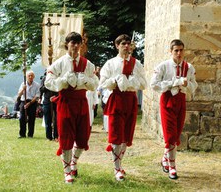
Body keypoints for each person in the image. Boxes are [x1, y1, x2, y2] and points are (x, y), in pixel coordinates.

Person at [44, 32, 99, 184]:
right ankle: (67, 171)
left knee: (82, 139)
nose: (75, 46)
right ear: (67, 44)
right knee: (67, 138)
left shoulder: (88, 64)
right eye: (72, 43)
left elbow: (95, 83)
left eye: (78, 43)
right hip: (66, 102)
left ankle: (74, 162)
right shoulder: (59, 63)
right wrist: (63, 80)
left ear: (81, 45)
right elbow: (48, 83)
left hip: (81, 102)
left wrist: (86, 80)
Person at [99, 34, 147, 181]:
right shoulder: (111, 64)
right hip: (117, 99)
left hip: (131, 99)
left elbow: (144, 83)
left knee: (126, 135)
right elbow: (103, 82)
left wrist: (132, 81)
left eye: (128, 43)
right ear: (117, 45)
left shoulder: (137, 64)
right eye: (123, 44)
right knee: (116, 135)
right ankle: (117, 168)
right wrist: (116, 80)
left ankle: (119, 163)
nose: (126, 46)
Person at [150, 39, 198, 180]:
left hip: (181, 100)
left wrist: (185, 84)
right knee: (169, 135)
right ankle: (172, 166)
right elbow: (154, 84)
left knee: (176, 134)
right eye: (176, 50)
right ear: (170, 51)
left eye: (181, 50)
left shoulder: (189, 67)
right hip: (167, 100)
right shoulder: (163, 66)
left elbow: (194, 85)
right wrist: (173, 83)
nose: (179, 53)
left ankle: (165, 159)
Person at [17, 70, 40, 138]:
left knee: (32, 118)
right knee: (22, 118)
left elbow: (37, 96)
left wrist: (29, 103)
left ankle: (30, 134)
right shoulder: (23, 84)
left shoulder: (37, 85)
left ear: (34, 77)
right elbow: (19, 94)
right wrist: (23, 89)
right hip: (23, 101)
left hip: (32, 102)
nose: (30, 77)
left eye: (31, 75)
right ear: (26, 77)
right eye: (29, 76)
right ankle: (22, 134)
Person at [39, 70, 59, 141]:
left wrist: (56, 96)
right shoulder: (44, 78)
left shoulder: (57, 78)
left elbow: (60, 89)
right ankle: (48, 136)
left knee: (57, 119)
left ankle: (56, 136)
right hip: (47, 100)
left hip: (56, 100)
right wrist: (47, 85)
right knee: (48, 119)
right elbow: (41, 89)